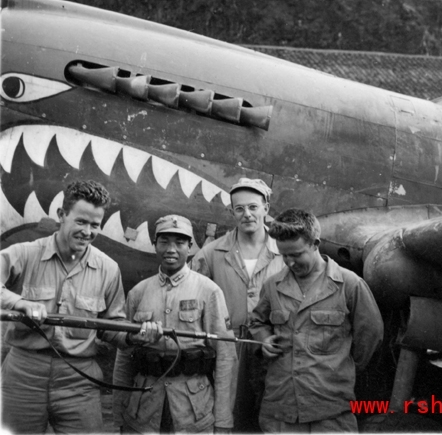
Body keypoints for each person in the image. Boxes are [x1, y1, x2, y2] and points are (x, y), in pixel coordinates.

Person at [0, 179, 161, 434]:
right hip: (23, 376)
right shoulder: (25, 253)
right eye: (81, 222)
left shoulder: (108, 269)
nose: (88, 231)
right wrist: (19, 302)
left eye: (95, 225)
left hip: (79, 381)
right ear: (61, 215)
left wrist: (136, 336)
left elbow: (112, 327)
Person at [249, 208, 384, 433]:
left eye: (297, 254)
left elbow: (371, 336)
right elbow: (257, 322)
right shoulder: (272, 286)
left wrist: (340, 369)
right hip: (281, 410)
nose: (290, 262)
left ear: (315, 244)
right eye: (284, 256)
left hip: (331, 412)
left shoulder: (349, 284)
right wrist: (263, 339)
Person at [113, 214, 237, 433]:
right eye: (164, 242)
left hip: (193, 407)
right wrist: (118, 413)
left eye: (179, 242)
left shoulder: (208, 291)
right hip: (145, 405)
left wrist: (223, 420)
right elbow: (124, 355)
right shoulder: (138, 292)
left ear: (190, 247)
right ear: (154, 245)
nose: (171, 249)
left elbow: (226, 356)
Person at [191, 178, 285, 432]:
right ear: (231, 212)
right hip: (226, 351)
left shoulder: (285, 254)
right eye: (240, 209)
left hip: (270, 350)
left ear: (266, 208)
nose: (247, 214)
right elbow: (192, 299)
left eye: (253, 207)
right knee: (225, 418)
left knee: (269, 419)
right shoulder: (211, 254)